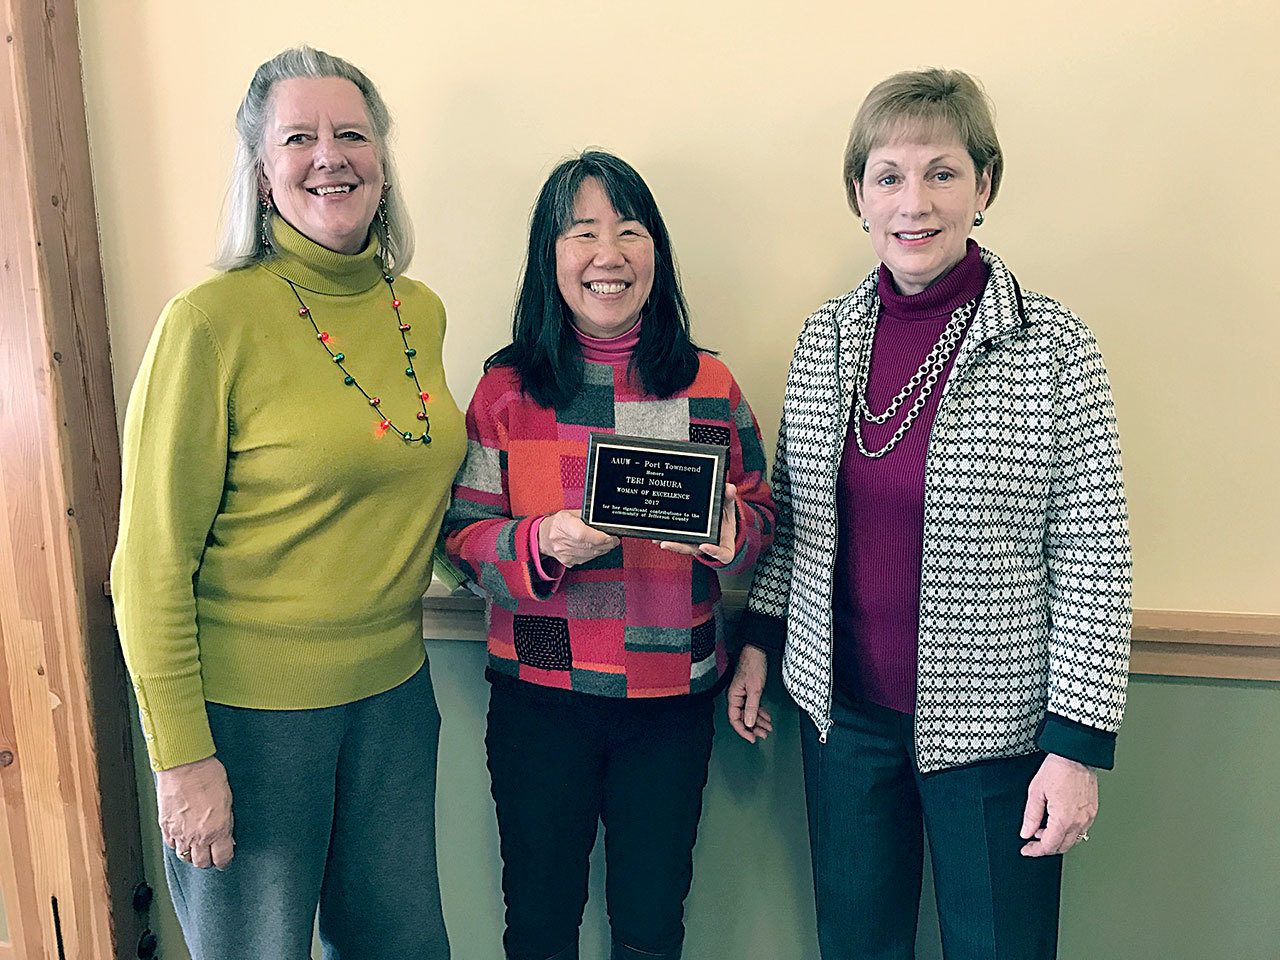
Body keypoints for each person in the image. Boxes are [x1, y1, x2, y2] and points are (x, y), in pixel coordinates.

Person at [729, 69, 1132, 960]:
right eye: (889, 176)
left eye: (941, 173)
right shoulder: (826, 337)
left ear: (984, 185)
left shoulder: (1053, 346)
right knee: (857, 945)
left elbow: (1095, 557)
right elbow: (794, 519)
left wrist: (1074, 749)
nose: (914, 202)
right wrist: (758, 640)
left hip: (999, 733)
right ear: (859, 196)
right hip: (845, 723)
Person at [111, 45, 462, 959]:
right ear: (262, 173)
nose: (329, 156)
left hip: (395, 699)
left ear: (382, 163)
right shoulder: (208, 323)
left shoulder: (419, 311)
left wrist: (526, 544)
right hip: (248, 721)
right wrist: (182, 759)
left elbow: (414, 484)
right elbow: (149, 563)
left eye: (352, 134)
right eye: (298, 138)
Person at [443, 150, 776, 960]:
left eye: (629, 231)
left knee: (652, 930)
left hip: (671, 701)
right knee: (540, 927)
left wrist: (733, 536)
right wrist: (540, 542)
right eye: (582, 233)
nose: (608, 254)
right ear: (549, 256)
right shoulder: (506, 391)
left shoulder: (710, 384)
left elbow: (764, 520)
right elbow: (461, 541)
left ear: (655, 251)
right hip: (539, 699)